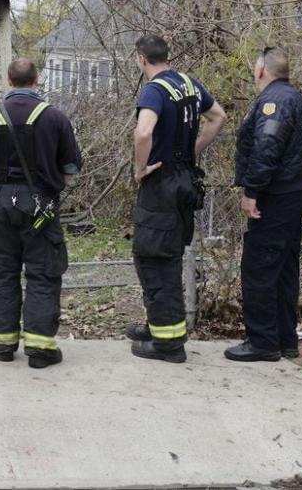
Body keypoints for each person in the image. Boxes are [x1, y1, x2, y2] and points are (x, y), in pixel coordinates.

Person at [0, 58, 82, 369]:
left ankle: (3, 346)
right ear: (37, 80)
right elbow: (71, 169)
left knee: (2, 272)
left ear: (9, 79)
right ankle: (40, 349)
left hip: (1, 202)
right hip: (41, 203)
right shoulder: (55, 117)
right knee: (43, 272)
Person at [127, 34, 226, 363]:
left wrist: (140, 169)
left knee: (154, 257)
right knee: (166, 254)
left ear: (142, 58)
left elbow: (143, 132)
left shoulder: (154, 90)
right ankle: (160, 326)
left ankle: (168, 344)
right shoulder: (189, 84)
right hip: (184, 182)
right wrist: (191, 152)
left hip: (160, 186)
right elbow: (218, 117)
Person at [226, 46, 302, 362]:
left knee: (260, 266)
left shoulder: (274, 103)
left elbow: (267, 147)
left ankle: (263, 342)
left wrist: (251, 192)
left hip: (277, 195)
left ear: (261, 70)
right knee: (283, 267)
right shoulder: (297, 99)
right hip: (296, 192)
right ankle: (284, 339)